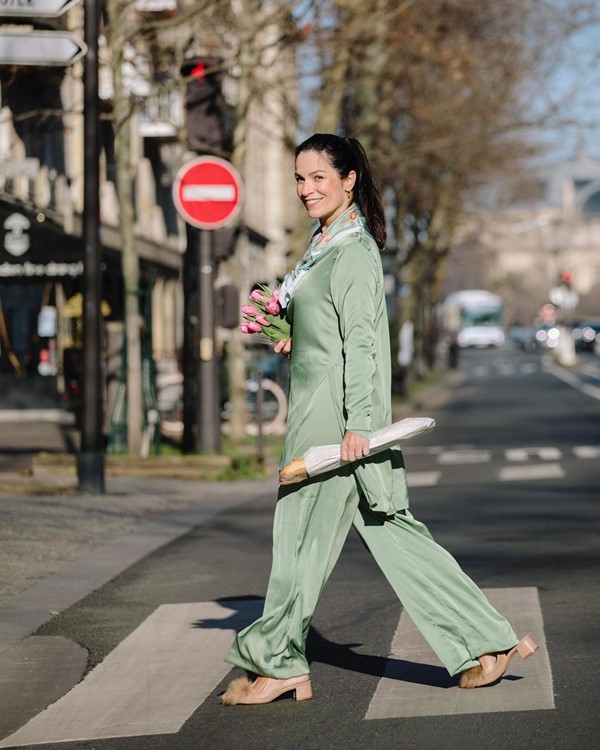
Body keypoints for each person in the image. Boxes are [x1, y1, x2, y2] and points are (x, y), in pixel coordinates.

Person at [220, 133, 537, 706]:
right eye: (299, 178)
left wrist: (359, 425)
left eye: (319, 177)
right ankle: (487, 642)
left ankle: (279, 662)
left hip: (334, 423)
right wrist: (288, 333)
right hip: (325, 411)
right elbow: (330, 335)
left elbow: (364, 345)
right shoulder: (322, 244)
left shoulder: (353, 251)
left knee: (297, 543)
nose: (306, 188)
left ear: (349, 180)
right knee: (394, 533)